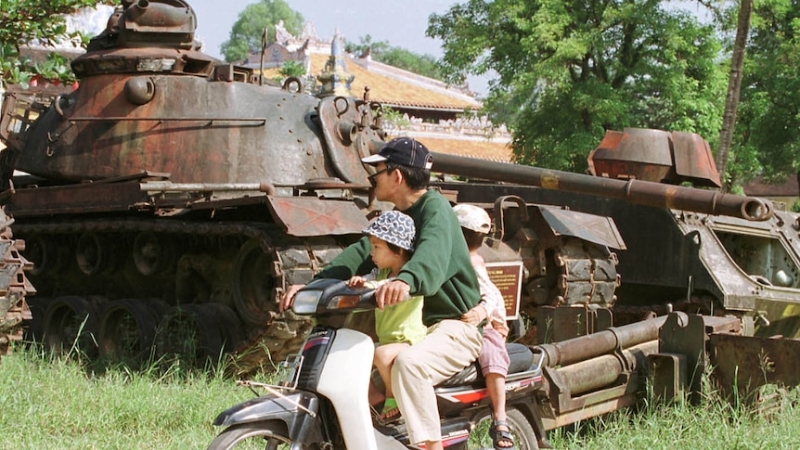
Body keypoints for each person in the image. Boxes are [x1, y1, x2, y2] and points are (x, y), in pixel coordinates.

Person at [281, 136, 483, 450]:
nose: (372, 180)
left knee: (409, 365)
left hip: (452, 326)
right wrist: (314, 286)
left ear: (397, 175)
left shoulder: (436, 210)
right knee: (350, 391)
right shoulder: (397, 219)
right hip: (412, 331)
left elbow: (433, 251)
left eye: (377, 173)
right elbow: (359, 254)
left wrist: (406, 279)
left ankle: (427, 445)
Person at [345, 210, 426, 423]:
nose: (372, 252)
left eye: (377, 247)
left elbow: (385, 287)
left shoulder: (408, 278)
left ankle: (393, 395)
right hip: (387, 339)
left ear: (398, 250)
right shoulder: (380, 273)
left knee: (380, 355)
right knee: (354, 352)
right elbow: (371, 281)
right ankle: (373, 394)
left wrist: (371, 285)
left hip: (409, 341)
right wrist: (359, 282)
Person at [455, 203, 514, 450]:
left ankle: (500, 418)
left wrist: (482, 314)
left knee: (492, 356)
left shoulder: (472, 262)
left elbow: (492, 296)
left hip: (482, 323)